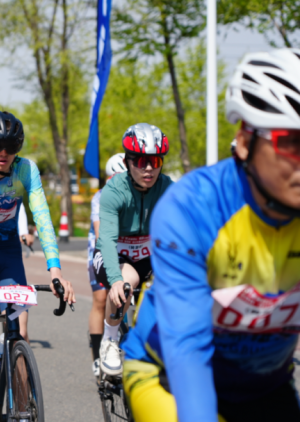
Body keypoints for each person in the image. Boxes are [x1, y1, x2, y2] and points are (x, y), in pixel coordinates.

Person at [123, 48, 300, 422]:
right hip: (169, 375)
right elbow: (188, 349)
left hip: (265, 384)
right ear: (245, 142)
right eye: (292, 142)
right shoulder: (194, 208)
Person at [0, 111, 75, 386]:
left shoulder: (26, 170)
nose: (4, 153)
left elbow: (42, 219)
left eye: (11, 146)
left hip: (7, 249)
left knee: (21, 330)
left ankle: (22, 402)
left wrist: (56, 271)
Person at [92, 123, 172, 377]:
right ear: (127, 161)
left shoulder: (167, 188)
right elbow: (106, 238)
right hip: (114, 253)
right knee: (127, 283)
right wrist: (115, 280)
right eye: (140, 161)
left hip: (147, 254)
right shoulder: (114, 190)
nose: (149, 168)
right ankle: (109, 340)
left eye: (155, 161)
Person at [87, 153, 127, 376]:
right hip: (101, 250)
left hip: (128, 252)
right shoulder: (101, 196)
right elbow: (102, 233)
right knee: (101, 299)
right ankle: (97, 356)